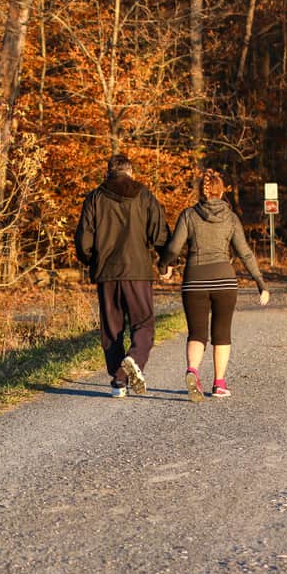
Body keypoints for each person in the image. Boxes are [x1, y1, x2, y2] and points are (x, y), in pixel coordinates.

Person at [159, 168, 271, 402]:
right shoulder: (230, 218)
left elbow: (173, 248)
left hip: (194, 281)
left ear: (202, 192)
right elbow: (245, 253)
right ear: (222, 192)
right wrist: (260, 282)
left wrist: (164, 265)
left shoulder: (189, 215)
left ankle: (192, 371)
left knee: (197, 333)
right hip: (224, 281)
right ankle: (219, 384)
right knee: (222, 333)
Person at [74, 153, 169, 398]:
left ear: (108, 173)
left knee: (111, 328)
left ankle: (119, 382)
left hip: (107, 273)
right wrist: (167, 260)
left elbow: (83, 239)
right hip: (137, 271)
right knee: (143, 323)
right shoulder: (145, 195)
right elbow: (159, 232)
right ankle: (132, 361)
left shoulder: (95, 197)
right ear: (131, 173)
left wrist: (91, 260)